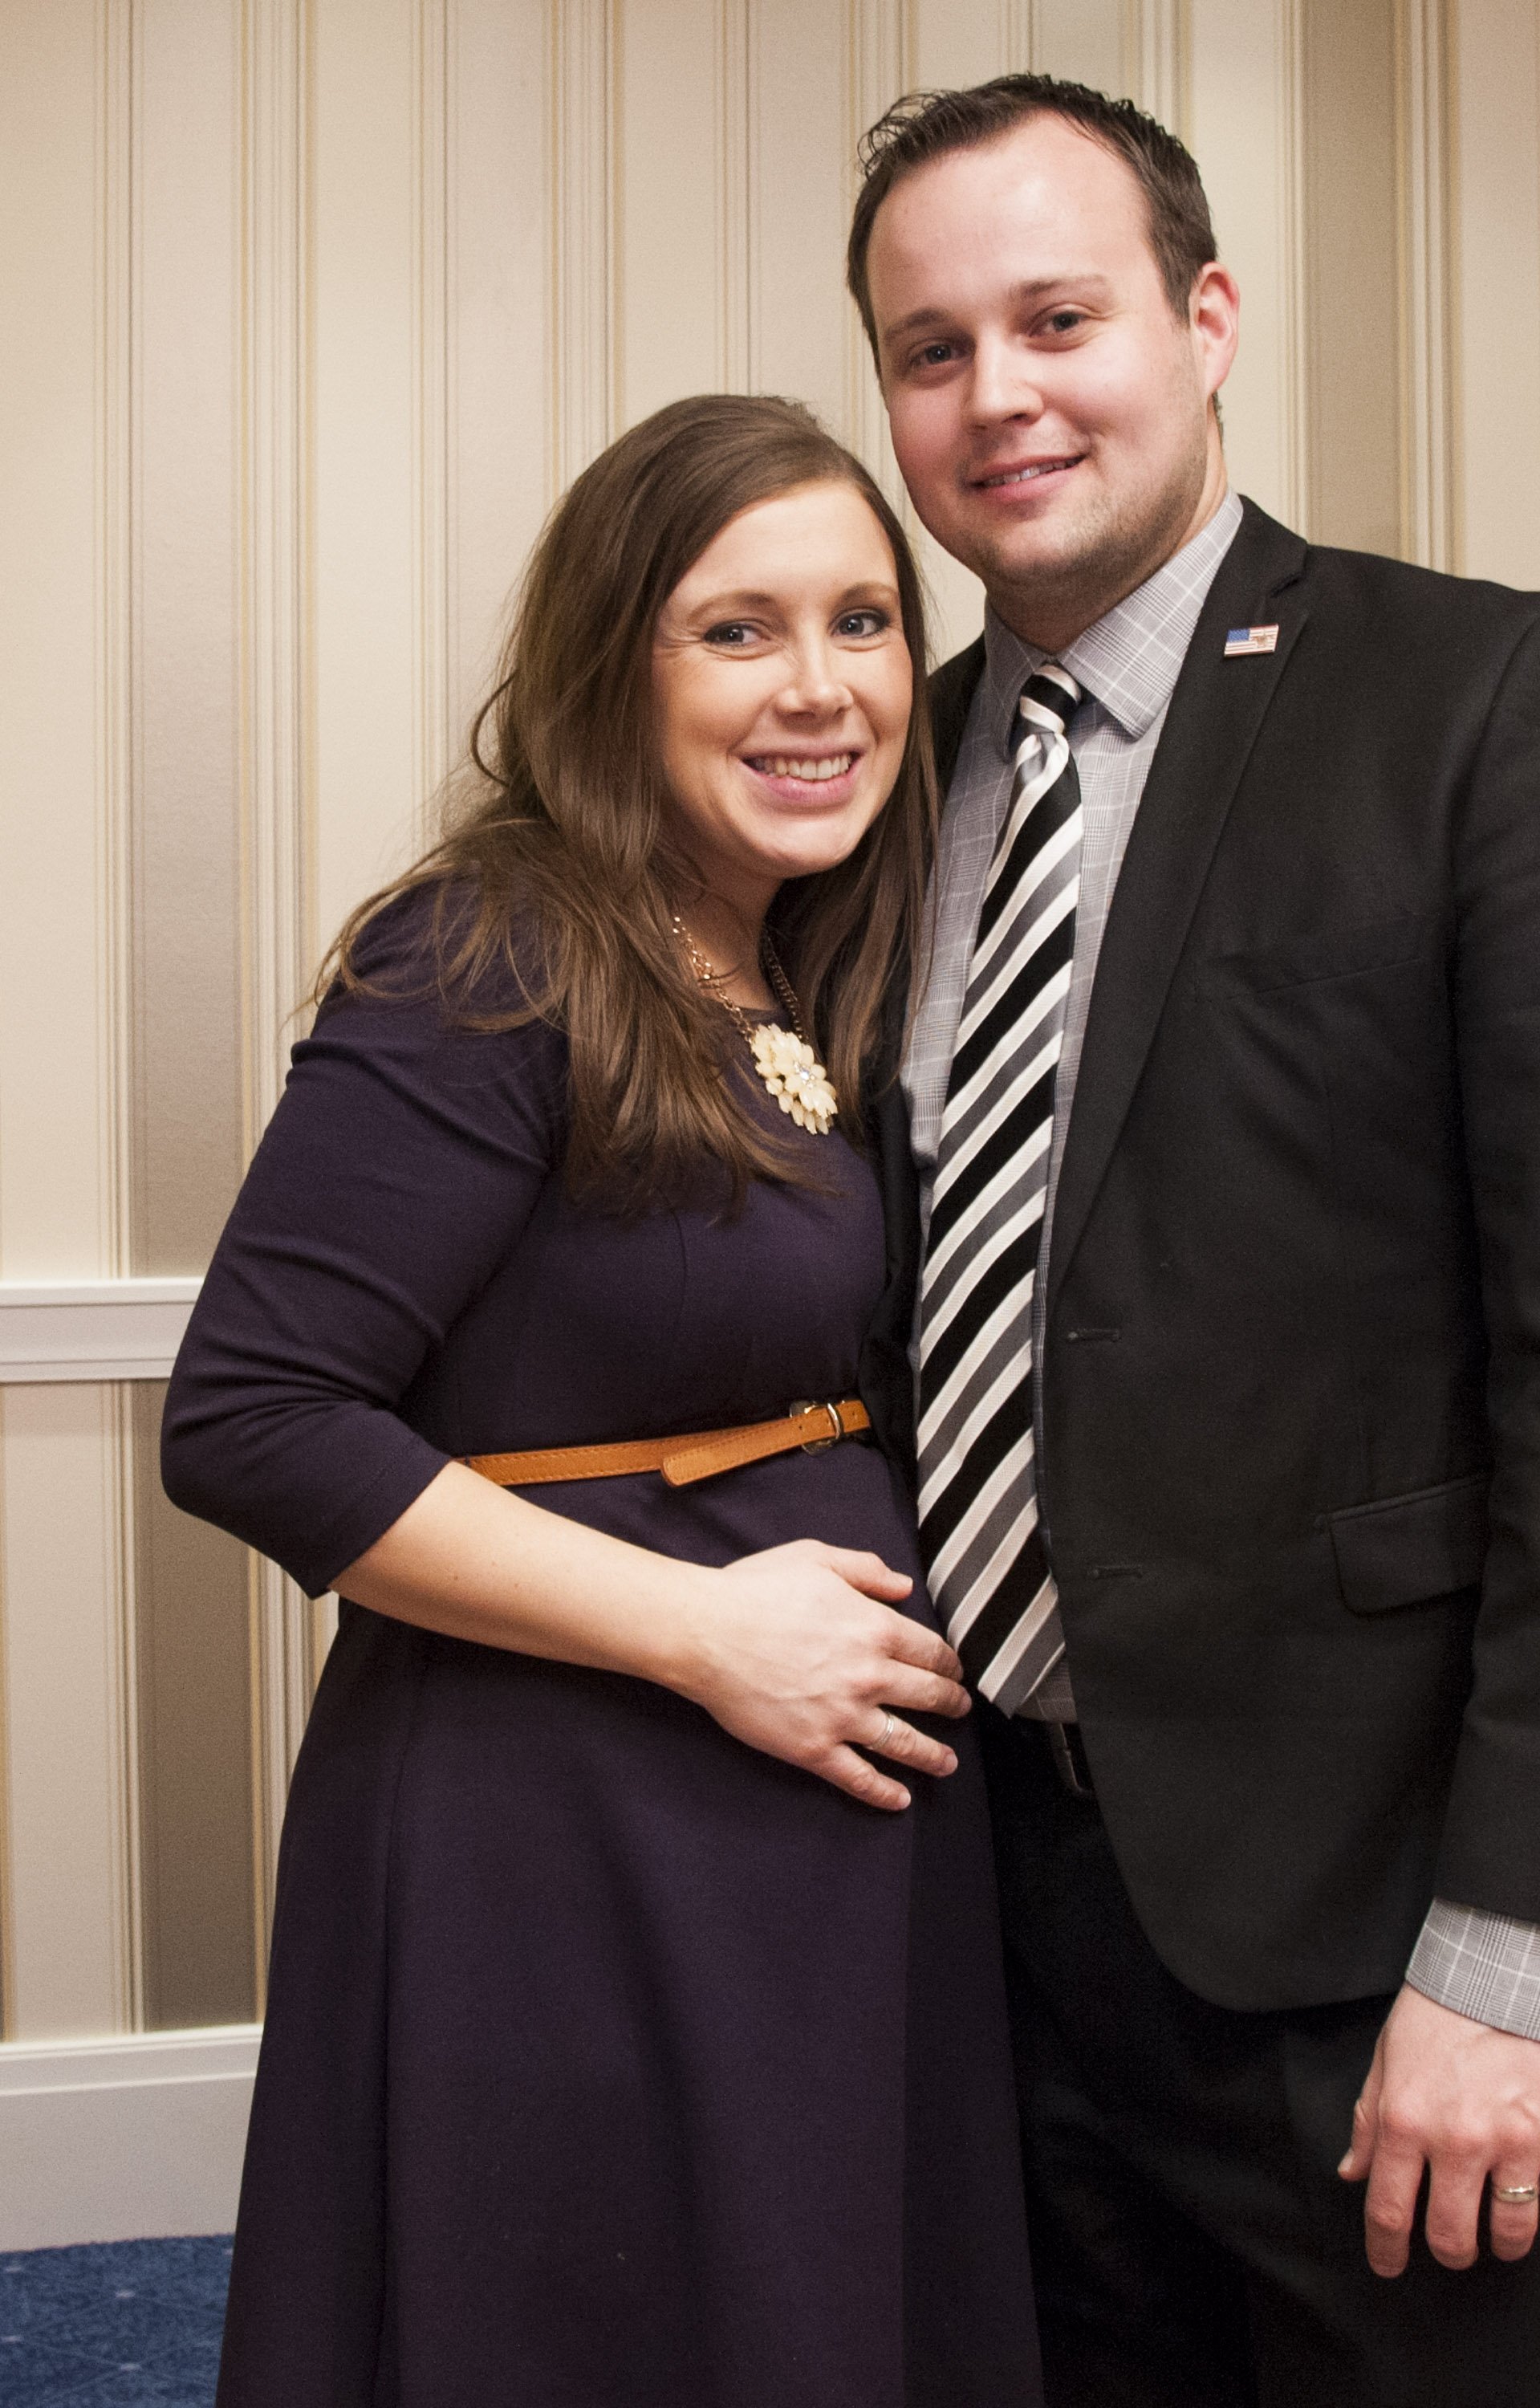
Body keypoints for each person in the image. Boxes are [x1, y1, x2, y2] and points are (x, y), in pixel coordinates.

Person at [847, 75, 1540, 2408]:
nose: (997, 396)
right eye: (929, 348)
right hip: (966, 1895)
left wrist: (1526, 1949)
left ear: (1206, 314)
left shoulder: (1480, 697)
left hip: (1370, 1925)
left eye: (1057, 316)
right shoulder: (878, 778)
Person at [160, 395, 1043, 2408]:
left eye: (863, 620)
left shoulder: (787, 962)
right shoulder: (491, 947)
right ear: (605, 664)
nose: (819, 687)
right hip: (562, 1830)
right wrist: (714, 1629)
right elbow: (255, 1410)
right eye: (736, 631)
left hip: (782, 1834)